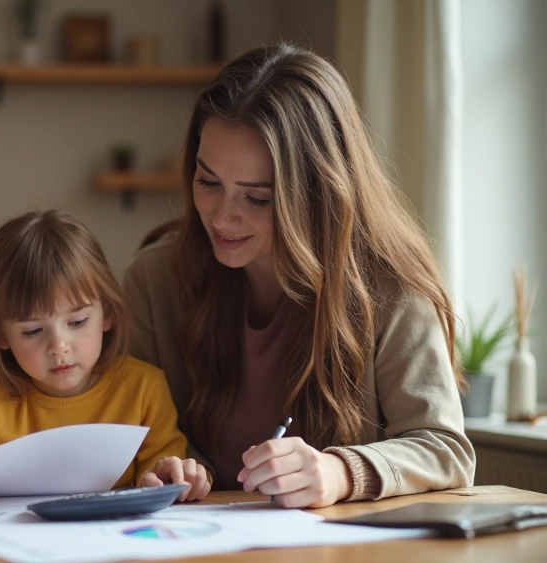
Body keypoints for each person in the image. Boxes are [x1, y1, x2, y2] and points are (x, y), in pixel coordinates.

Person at [122, 44, 475, 509]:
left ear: (319, 194)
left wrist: (340, 472)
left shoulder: (393, 289)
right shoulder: (155, 279)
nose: (223, 218)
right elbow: (130, 435)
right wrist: (163, 466)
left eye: (258, 199)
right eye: (208, 182)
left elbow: (445, 449)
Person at [0, 210, 210, 501]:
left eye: (77, 322)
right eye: (32, 331)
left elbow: (165, 468)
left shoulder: (145, 388)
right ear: (1, 335)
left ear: (108, 314)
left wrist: (168, 476)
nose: (58, 346)